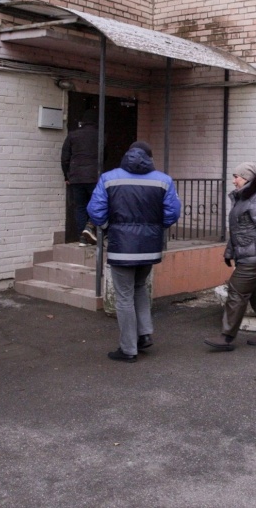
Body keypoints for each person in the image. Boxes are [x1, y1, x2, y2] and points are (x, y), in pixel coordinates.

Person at [87, 141, 181, 363]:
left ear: (127, 154)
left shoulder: (109, 178)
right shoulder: (163, 180)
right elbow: (172, 212)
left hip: (122, 247)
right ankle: (144, 335)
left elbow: (95, 210)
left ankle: (128, 349)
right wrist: (155, 229)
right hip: (149, 248)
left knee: (124, 297)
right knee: (139, 288)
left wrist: (107, 227)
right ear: (150, 157)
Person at [205, 162, 256, 351]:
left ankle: (226, 337)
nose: (233, 181)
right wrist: (230, 252)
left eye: (236, 177)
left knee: (236, 291)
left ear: (246, 178)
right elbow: (239, 229)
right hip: (252, 254)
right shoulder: (245, 197)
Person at [61, 109, 100, 246]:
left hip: (76, 177)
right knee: (98, 205)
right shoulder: (100, 135)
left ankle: (82, 238)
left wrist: (66, 175)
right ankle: (89, 229)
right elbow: (104, 155)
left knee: (80, 207)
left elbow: (65, 158)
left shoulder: (72, 135)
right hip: (94, 176)